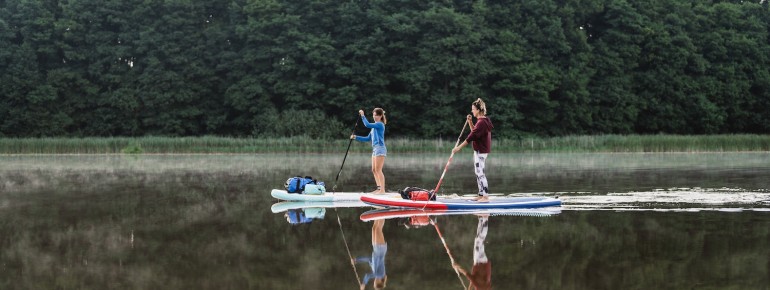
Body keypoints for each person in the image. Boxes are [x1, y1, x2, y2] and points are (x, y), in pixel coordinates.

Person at [452, 98, 494, 202]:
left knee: (480, 173)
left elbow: (470, 137)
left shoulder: (482, 122)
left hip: (481, 151)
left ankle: (485, 197)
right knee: (478, 172)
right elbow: (475, 133)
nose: (472, 111)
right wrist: (470, 122)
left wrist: (458, 148)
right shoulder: (482, 121)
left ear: (478, 110)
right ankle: (480, 195)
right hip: (479, 150)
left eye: (473, 109)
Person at [351, 108, 387, 194]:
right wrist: (356, 137)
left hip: (380, 148)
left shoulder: (380, 125)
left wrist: (363, 115)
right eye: (373, 115)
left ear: (381, 116)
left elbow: (366, 124)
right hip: (375, 149)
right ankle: (379, 189)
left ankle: (382, 190)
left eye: (376, 115)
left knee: (378, 170)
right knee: (374, 170)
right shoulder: (373, 128)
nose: (375, 117)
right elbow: (367, 138)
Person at [452, 214, 492, 290]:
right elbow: (468, 275)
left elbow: (473, 279)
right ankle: (485, 218)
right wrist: (457, 267)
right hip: (481, 263)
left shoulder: (480, 287)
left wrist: (470, 287)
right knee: (479, 240)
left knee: (477, 240)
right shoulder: (480, 287)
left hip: (480, 263)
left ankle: (481, 219)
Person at [353, 219, 388, 289]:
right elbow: (367, 276)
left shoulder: (375, 271)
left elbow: (369, 259)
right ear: (378, 282)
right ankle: (382, 214)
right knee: (378, 229)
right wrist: (363, 284)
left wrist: (356, 260)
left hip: (375, 248)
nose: (373, 282)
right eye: (374, 284)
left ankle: (377, 213)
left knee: (374, 228)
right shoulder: (380, 274)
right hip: (380, 249)